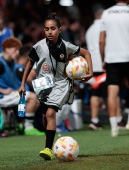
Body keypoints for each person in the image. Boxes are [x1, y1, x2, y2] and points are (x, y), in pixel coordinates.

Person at [18, 12, 93, 160]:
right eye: (46, 29)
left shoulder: (67, 46)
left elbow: (87, 53)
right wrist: (22, 84)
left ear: (60, 29)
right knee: (45, 115)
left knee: (51, 113)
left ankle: (48, 149)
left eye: (53, 28)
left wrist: (89, 72)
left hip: (61, 83)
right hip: (43, 83)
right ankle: (49, 141)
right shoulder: (38, 46)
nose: (49, 32)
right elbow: (29, 63)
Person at [0, 37, 44, 136]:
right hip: (2, 97)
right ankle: (28, 127)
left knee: (35, 98)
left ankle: (24, 125)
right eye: (15, 50)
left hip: (10, 95)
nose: (17, 53)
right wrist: (2, 91)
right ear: (6, 49)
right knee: (32, 97)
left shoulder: (11, 64)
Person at [99, 0, 129, 137]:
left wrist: (103, 58)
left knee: (112, 91)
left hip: (112, 58)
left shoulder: (106, 13)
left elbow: (101, 40)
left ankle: (114, 128)